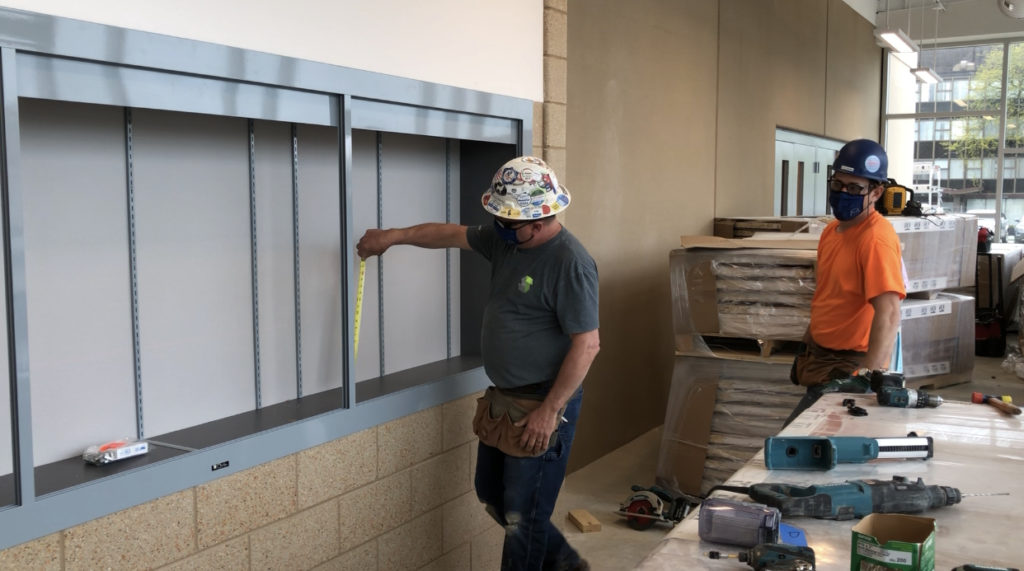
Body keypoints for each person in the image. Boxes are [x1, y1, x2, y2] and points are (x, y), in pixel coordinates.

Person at [356, 155, 600, 571]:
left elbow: (587, 345)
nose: (499, 229)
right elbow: (449, 234)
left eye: (509, 223)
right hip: (504, 398)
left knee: (523, 519)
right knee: (492, 493)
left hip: (542, 404)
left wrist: (549, 411)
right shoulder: (509, 241)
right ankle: (566, 564)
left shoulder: (569, 263)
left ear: (538, 222)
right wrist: (393, 236)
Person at [786, 139, 906, 424]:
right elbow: (829, 295)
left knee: (794, 443)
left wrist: (866, 376)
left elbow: (889, 314)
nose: (843, 193)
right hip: (821, 358)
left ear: (876, 192)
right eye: (838, 184)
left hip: (850, 365)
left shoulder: (875, 240)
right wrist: (807, 345)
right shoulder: (832, 232)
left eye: (854, 188)